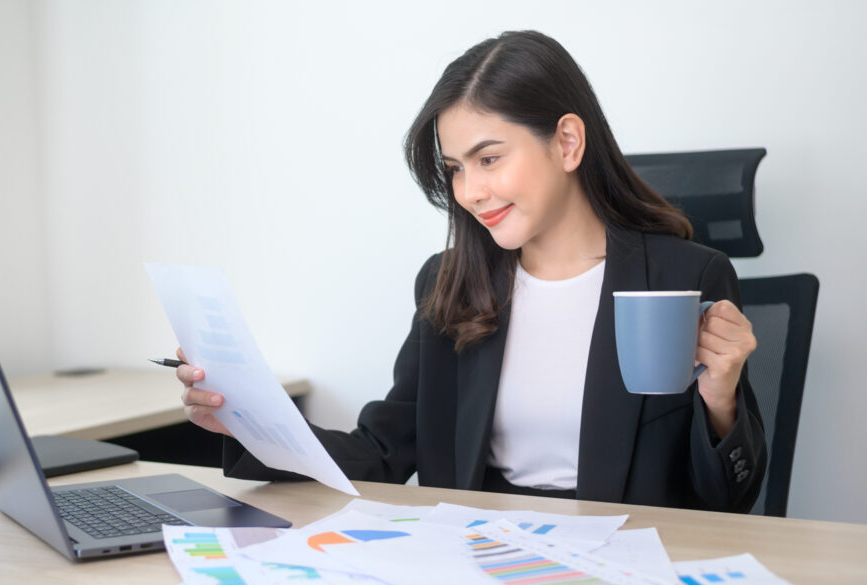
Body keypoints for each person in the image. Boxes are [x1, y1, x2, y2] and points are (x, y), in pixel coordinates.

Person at [175, 30, 766, 512]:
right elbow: (381, 451)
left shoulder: (685, 277)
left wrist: (721, 403)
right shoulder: (450, 284)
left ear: (566, 142)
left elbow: (728, 500)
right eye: (456, 168)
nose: (470, 191)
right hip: (479, 562)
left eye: (489, 159)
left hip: (631, 566)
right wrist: (249, 422)